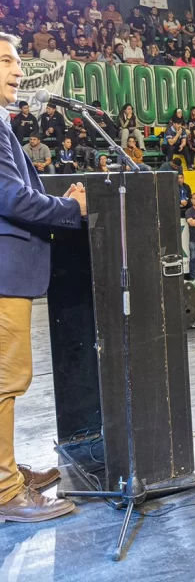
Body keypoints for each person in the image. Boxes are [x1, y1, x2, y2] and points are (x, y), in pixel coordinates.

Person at [0, 31, 87, 523]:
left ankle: (6, 469)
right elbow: (9, 198)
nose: (18, 70)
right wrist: (68, 208)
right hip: (5, 273)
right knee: (5, 380)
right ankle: (5, 490)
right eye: (8, 61)